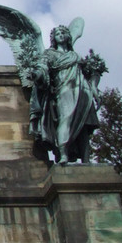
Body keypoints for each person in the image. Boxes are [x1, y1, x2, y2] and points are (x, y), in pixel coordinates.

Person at [32, 26, 100, 164]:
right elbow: (43, 67)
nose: (61, 35)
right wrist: (37, 73)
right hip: (64, 90)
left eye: (63, 33)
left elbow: (92, 72)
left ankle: (86, 160)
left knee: (84, 127)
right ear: (53, 38)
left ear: (68, 36)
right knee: (65, 119)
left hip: (83, 91)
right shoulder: (49, 54)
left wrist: (94, 88)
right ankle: (63, 155)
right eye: (58, 33)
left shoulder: (75, 55)